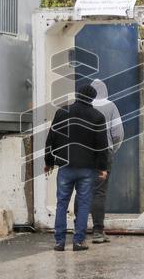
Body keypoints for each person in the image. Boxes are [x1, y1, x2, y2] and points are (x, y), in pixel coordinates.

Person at [44, 84, 110, 252]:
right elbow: (102, 146)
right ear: (92, 98)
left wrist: (49, 161)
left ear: (77, 94)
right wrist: (103, 168)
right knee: (84, 203)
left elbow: (51, 138)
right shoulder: (97, 116)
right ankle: (78, 241)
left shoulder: (62, 112)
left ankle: (59, 242)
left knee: (61, 203)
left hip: (65, 167)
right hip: (87, 169)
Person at [74, 78, 123, 244]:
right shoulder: (110, 106)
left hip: (81, 154)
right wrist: (112, 149)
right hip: (103, 153)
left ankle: (77, 229)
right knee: (99, 192)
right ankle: (98, 232)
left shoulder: (82, 107)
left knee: (81, 190)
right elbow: (117, 133)